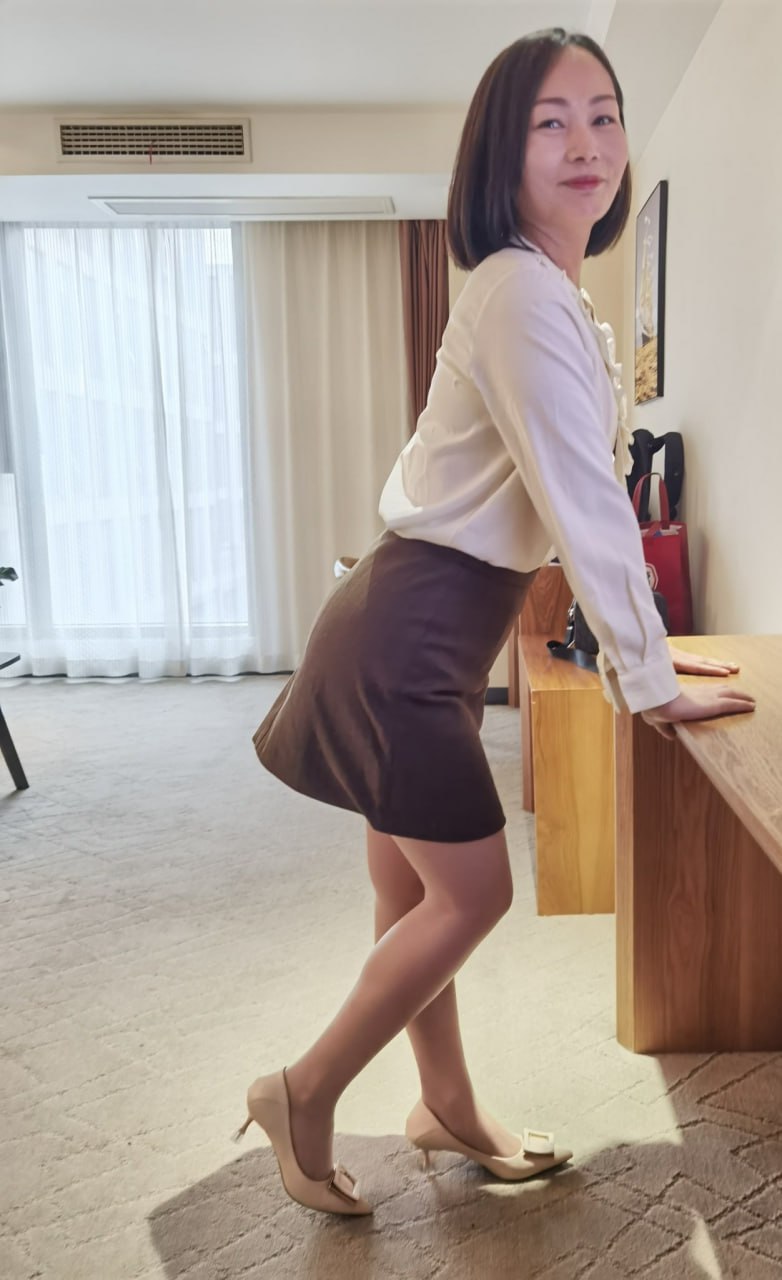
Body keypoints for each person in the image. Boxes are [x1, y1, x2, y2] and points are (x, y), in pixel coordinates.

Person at [234, 27, 756, 1216]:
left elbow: (577, 493)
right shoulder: (520, 290)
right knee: (468, 895)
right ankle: (301, 1090)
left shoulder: (544, 292)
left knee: (412, 893)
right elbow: (583, 502)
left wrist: (646, 654)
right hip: (408, 635)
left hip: (413, 621)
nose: (586, 143)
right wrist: (645, 676)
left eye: (603, 115)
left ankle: (446, 1104)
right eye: (548, 121)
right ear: (499, 154)